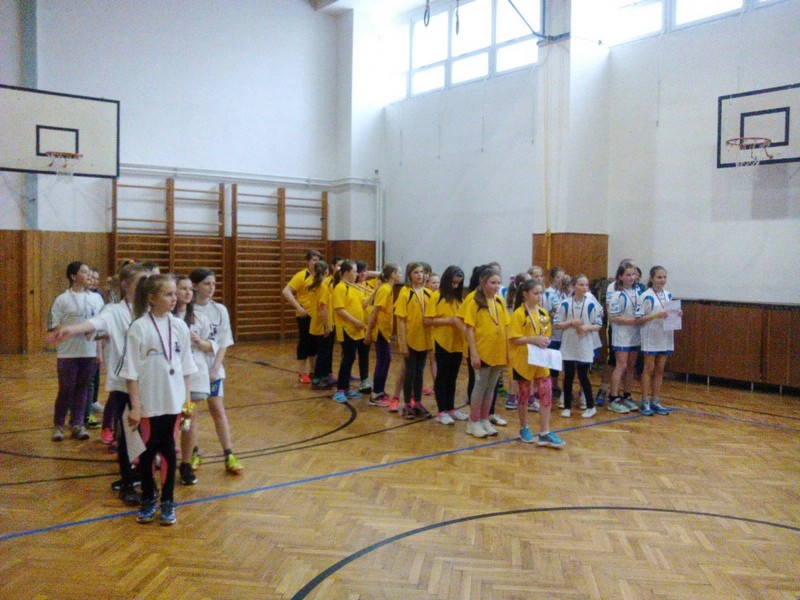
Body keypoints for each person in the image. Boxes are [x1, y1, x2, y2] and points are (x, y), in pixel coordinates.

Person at [45, 262, 149, 505]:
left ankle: (143, 476)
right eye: (140, 281)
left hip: (150, 382)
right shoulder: (113, 311)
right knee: (127, 435)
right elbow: (94, 324)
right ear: (126, 285)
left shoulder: (150, 310)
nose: (145, 286)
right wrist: (70, 330)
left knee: (148, 434)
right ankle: (127, 482)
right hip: (125, 383)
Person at [120, 274, 197, 525]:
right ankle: (148, 499)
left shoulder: (180, 327)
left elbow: (186, 369)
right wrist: (136, 406)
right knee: (147, 452)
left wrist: (187, 404)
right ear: (152, 298)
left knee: (169, 452)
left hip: (174, 404)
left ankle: (167, 501)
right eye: (168, 294)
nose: (174, 299)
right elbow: (131, 372)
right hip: (148, 405)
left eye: (175, 294)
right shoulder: (139, 327)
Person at [189, 268, 243, 474]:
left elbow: (223, 342)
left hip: (212, 368)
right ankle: (193, 452)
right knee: (191, 412)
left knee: (217, 409)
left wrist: (215, 368)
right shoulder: (186, 310)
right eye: (206, 284)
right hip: (192, 369)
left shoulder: (220, 310)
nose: (211, 288)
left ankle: (229, 454)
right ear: (195, 286)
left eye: (213, 283)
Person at [46, 261, 105, 442]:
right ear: (73, 276)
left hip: (89, 352)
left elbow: (102, 324)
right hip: (68, 353)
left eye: (89, 272)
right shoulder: (62, 299)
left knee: (83, 389)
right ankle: (58, 425)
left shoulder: (97, 299)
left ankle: (77, 424)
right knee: (66, 389)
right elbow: (53, 324)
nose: (88, 275)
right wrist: (74, 330)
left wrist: (99, 352)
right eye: (84, 272)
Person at [508, 280, 565, 447]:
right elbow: (514, 338)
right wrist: (533, 339)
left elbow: (546, 333)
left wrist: (545, 341)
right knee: (524, 394)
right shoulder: (519, 314)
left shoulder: (543, 313)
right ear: (525, 294)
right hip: (523, 360)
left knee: (546, 392)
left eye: (541, 293)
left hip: (540, 359)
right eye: (536, 293)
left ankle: (544, 431)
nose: (539, 296)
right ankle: (524, 427)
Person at [174, 275, 217, 486]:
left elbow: (212, 345)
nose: (188, 292)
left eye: (190, 289)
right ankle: (163, 457)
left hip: (193, 378)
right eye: (183, 288)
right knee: (169, 420)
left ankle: (186, 462)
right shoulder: (165, 319)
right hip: (171, 377)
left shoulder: (200, 318)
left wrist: (200, 342)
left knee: (188, 419)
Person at [461, 267, 510, 438]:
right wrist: (474, 353)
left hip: (498, 351)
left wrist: (507, 351)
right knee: (480, 386)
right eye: (492, 283)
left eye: (498, 283)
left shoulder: (499, 301)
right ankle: (473, 421)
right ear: (483, 282)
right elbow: (469, 329)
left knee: (491, 387)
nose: (496, 286)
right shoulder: (475, 301)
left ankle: (484, 418)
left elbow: (505, 326)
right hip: (483, 350)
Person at [424, 265, 468, 425]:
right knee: (442, 376)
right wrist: (449, 321)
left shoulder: (459, 299)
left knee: (452, 376)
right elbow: (427, 320)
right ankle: (441, 411)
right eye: (453, 283)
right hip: (441, 341)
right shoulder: (437, 296)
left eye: (458, 283)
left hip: (457, 343)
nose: (455, 286)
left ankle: (451, 408)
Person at [554, 274, 602, 418]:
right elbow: (557, 324)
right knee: (568, 376)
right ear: (573, 286)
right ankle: (567, 406)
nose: (584, 288)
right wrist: (570, 323)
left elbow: (598, 324)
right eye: (581, 285)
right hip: (569, 344)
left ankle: (590, 406)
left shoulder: (591, 304)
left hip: (584, 344)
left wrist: (586, 328)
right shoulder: (565, 303)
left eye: (586, 285)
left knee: (583, 376)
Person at [638, 265, 680, 416]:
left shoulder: (668, 295)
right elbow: (639, 318)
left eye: (664, 277)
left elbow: (670, 313)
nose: (662, 280)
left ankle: (655, 400)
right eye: (659, 277)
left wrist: (677, 313)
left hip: (665, 335)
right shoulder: (645, 296)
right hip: (651, 336)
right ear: (651, 278)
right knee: (648, 369)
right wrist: (656, 315)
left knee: (660, 369)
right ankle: (644, 400)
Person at [394, 262, 433, 419]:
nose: (420, 275)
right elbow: (401, 320)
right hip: (410, 340)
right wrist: (402, 343)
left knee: (420, 373)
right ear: (409, 275)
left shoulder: (428, 293)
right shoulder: (405, 293)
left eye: (421, 272)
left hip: (424, 339)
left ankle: (417, 403)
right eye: (416, 272)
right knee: (410, 373)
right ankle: (407, 405)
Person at [282, 250, 322, 384]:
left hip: (317, 316)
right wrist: (298, 307)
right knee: (304, 343)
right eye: (314, 260)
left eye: (318, 260)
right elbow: (286, 291)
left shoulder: (320, 276)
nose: (316, 263)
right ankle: (302, 372)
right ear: (308, 261)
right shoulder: (301, 276)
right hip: (304, 316)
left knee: (315, 344)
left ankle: (313, 371)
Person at [364, 263, 401, 407]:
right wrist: (368, 333)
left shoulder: (388, 288)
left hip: (385, 331)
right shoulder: (385, 289)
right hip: (380, 331)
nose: (400, 275)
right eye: (398, 272)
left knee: (386, 359)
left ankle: (380, 390)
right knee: (382, 361)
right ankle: (375, 395)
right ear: (393, 274)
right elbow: (374, 311)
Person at [607, 261, 642, 413]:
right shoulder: (617, 295)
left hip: (635, 334)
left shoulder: (638, 292)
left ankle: (627, 395)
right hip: (621, 335)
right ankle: (613, 398)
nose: (631, 277)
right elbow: (614, 317)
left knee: (631, 367)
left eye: (633, 274)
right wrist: (634, 321)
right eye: (628, 275)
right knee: (621, 366)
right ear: (620, 277)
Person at [331, 260, 366, 403]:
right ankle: (340, 390)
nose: (357, 274)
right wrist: (355, 321)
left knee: (351, 358)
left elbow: (363, 304)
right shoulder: (340, 288)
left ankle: (346, 388)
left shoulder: (354, 287)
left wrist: (375, 294)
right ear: (346, 272)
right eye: (355, 271)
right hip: (347, 329)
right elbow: (339, 309)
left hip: (356, 329)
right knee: (348, 358)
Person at [309, 261, 336, 389]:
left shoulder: (315, 286)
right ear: (327, 272)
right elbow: (323, 309)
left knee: (323, 352)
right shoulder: (323, 287)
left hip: (316, 323)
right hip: (322, 325)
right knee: (323, 353)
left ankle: (324, 376)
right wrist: (327, 326)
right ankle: (317, 379)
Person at [544, 266, 566, 408]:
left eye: (562, 277)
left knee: (561, 362)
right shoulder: (548, 293)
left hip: (563, 334)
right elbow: (546, 313)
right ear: (551, 278)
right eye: (558, 277)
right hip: (552, 333)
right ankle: (551, 387)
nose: (560, 280)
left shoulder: (564, 293)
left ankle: (558, 387)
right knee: (552, 362)